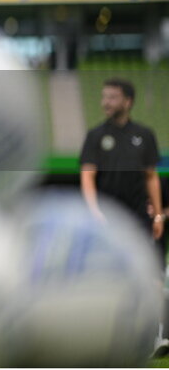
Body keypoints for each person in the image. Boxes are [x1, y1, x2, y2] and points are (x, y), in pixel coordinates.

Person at [79, 77, 166, 355]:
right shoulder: (94, 136)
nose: (106, 102)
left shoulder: (145, 135)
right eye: (103, 97)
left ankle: (155, 337)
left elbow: (151, 177)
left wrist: (158, 215)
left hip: (140, 217)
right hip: (108, 218)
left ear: (127, 101)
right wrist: (93, 211)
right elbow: (88, 177)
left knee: (151, 276)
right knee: (104, 278)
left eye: (112, 97)